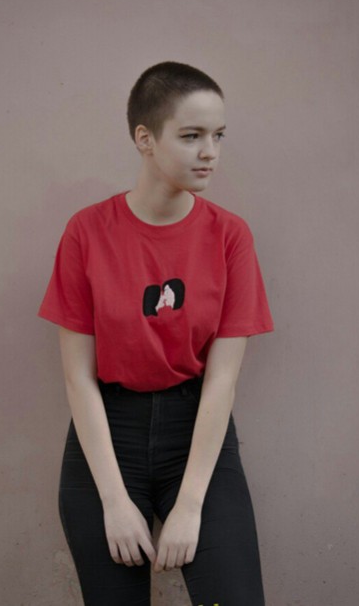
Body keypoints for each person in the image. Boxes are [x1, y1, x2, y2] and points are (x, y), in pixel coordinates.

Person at [37, 61, 274, 606]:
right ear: (145, 138)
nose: (210, 152)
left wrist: (190, 506)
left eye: (218, 136)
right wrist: (114, 501)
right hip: (107, 437)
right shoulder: (86, 232)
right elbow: (77, 378)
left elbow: (223, 380)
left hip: (197, 433)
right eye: (191, 136)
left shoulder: (229, 236)